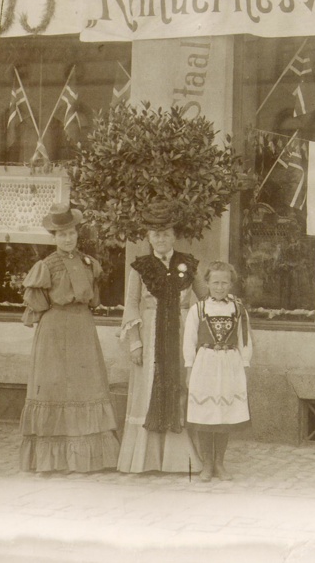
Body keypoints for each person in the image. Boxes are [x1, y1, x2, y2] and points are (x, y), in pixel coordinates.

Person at [18, 203, 119, 473]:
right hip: (53, 329)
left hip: (82, 329)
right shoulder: (46, 265)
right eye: (61, 235)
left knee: (85, 386)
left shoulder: (88, 263)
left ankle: (89, 459)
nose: (67, 238)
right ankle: (50, 461)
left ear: (77, 234)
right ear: (54, 237)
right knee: (53, 387)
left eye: (71, 233)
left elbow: (95, 299)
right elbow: (37, 303)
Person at [118, 199, 204, 473]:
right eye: (156, 234)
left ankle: (179, 459)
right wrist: (135, 342)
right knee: (149, 389)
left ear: (174, 236)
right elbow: (131, 304)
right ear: (148, 236)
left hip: (180, 333)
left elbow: (204, 300)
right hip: (151, 332)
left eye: (166, 234)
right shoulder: (140, 267)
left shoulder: (188, 264)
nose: (161, 239)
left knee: (178, 385)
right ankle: (147, 459)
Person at [183, 261, 253, 482]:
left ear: (231, 284)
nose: (220, 287)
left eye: (224, 282)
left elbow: (245, 339)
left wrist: (244, 364)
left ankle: (220, 464)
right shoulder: (199, 309)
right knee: (206, 414)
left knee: (224, 415)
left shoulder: (238, 309)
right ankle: (207, 465)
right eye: (215, 282)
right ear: (207, 283)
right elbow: (189, 340)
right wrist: (189, 367)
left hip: (230, 364)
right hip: (206, 364)